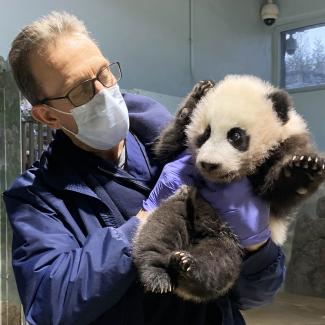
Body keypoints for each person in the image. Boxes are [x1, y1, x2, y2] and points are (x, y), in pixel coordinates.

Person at [3, 11, 285, 325]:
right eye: (81, 90)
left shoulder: (187, 148)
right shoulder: (37, 199)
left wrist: (257, 248)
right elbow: (50, 306)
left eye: (104, 73)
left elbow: (253, 296)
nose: (103, 93)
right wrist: (146, 220)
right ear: (48, 116)